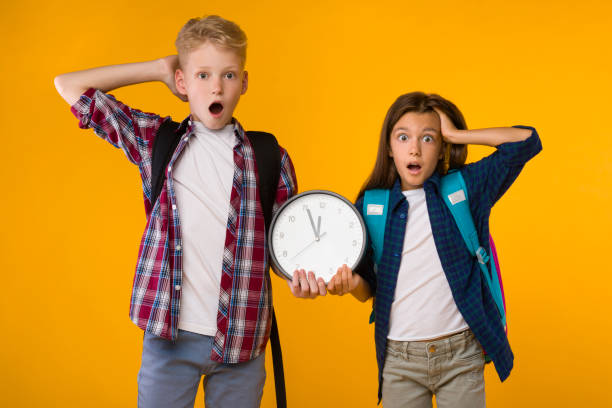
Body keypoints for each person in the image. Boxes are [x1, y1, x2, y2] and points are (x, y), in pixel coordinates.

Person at [54, 15, 297, 408]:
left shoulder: (269, 157)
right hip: (168, 339)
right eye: (202, 75)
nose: (216, 86)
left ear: (245, 83)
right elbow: (69, 87)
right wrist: (157, 69)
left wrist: (303, 277)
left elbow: (286, 250)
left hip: (242, 341)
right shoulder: (156, 141)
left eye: (229, 75)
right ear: (182, 83)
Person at [309, 92, 542, 407]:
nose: (414, 148)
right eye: (403, 137)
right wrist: (350, 285)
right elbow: (367, 291)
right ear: (390, 148)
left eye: (428, 138)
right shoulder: (371, 206)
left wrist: (457, 135)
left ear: (442, 148)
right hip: (399, 360)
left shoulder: (466, 189)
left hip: (460, 354)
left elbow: (526, 141)